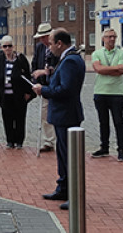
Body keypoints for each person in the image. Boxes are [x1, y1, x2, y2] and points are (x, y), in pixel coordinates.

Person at [32, 30, 84, 210]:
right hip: (63, 115)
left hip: (66, 114)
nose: (49, 47)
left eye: (51, 43)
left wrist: (43, 90)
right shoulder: (68, 59)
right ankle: (63, 188)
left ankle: (74, 194)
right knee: (62, 155)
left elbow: (66, 90)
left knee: (69, 156)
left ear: (60, 43)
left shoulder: (70, 60)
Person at [90, 28, 123, 161]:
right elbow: (98, 69)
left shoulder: (122, 53)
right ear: (103, 39)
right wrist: (114, 68)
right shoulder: (97, 53)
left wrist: (105, 70)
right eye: (109, 37)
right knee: (103, 122)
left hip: (116, 93)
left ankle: (121, 149)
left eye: (114, 36)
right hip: (100, 92)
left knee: (119, 122)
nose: (112, 39)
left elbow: (122, 70)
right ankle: (104, 147)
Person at [0, 35, 34, 148]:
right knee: (7, 119)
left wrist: (28, 93)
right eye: (5, 46)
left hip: (19, 95)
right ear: (1, 47)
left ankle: (19, 141)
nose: (7, 49)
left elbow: (27, 77)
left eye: (9, 46)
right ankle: (10, 141)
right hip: (5, 96)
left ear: (13, 46)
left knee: (20, 119)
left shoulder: (20, 59)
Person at [30, 23, 57, 152]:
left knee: (58, 113)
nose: (41, 40)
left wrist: (45, 71)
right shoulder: (39, 47)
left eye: (43, 37)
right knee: (45, 115)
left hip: (56, 87)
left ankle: (62, 139)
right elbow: (34, 64)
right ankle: (49, 141)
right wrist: (35, 81)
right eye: (40, 38)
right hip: (43, 87)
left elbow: (58, 67)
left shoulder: (58, 47)